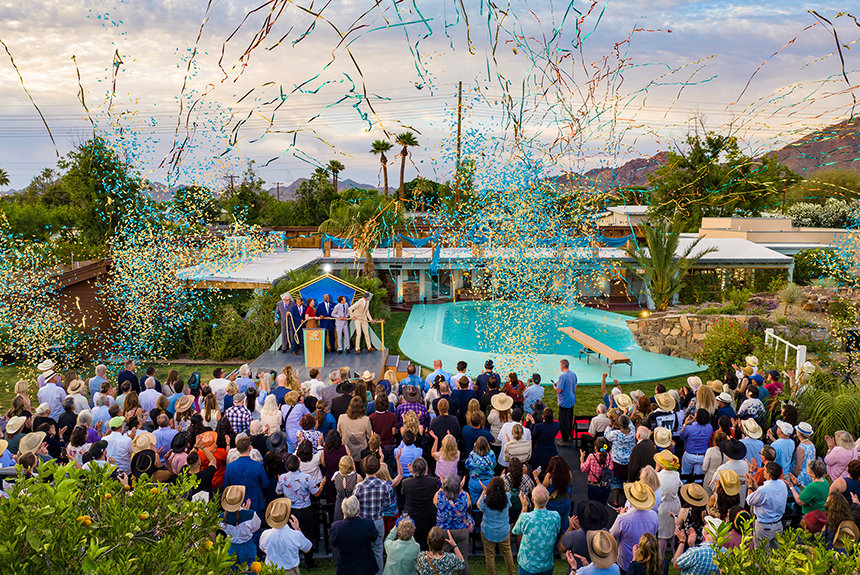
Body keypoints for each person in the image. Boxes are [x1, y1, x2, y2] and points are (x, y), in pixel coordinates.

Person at [354, 455, 396, 571]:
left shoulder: (359, 487)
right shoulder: (383, 485)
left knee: (364, 550)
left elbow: (355, 507)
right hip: (377, 521)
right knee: (378, 550)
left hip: (363, 522)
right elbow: (387, 503)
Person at [609, 480, 659, 572]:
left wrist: (621, 516)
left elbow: (611, 536)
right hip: (648, 560)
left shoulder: (623, 519)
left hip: (626, 562)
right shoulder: (654, 515)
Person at [512, 485, 561, 575]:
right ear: (547, 499)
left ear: (532, 500)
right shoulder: (555, 516)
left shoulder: (526, 517)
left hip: (527, 565)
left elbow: (515, 531)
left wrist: (524, 508)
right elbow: (558, 530)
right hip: (546, 564)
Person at [259, 498, 313, 572]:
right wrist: (298, 530)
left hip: (271, 571)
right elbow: (308, 548)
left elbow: (263, 548)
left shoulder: (265, 534)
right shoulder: (295, 535)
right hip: (290, 571)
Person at [331, 495, 379, 575]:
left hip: (345, 569)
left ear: (343, 510)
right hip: (366, 568)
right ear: (358, 510)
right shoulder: (367, 524)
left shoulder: (336, 527)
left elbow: (334, 543)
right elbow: (374, 538)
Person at [434, 474, 472, 574]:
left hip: (443, 531)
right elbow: (468, 505)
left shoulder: (439, 496)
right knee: (462, 558)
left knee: (442, 558)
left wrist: (442, 486)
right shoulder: (465, 496)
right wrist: (460, 488)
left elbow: (434, 502)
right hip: (461, 531)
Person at [745, 461, 788, 550]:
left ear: (768, 475)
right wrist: (756, 487)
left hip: (764, 526)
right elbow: (768, 495)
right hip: (778, 524)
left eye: (765, 470)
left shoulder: (764, 489)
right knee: (776, 553)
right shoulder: (782, 484)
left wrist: (749, 486)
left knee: (761, 554)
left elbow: (749, 501)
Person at [223, 436, 270, 515]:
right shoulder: (257, 466)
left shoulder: (230, 467)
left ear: (237, 450)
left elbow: (226, 486)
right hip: (255, 503)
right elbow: (265, 483)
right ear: (250, 448)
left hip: (237, 503)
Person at [478, 477, 515, 575]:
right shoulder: (507, 497)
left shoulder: (485, 498)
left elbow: (479, 506)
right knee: (507, 552)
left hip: (488, 531)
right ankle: (512, 573)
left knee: (489, 555)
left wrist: (484, 492)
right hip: (503, 531)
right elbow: (510, 505)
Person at [401, 458, 440, 550]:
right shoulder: (433, 481)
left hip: (413, 516)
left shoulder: (406, 482)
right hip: (428, 517)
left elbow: (404, 493)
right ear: (426, 469)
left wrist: (411, 474)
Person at [219, 485, 261, 568]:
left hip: (231, 547)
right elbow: (256, 527)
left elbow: (222, 528)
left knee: (233, 570)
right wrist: (246, 510)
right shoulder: (250, 514)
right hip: (247, 546)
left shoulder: (222, 517)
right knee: (250, 569)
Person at [678, 409, 713, 476]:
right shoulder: (709, 427)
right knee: (698, 478)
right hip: (702, 456)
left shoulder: (689, 428)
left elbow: (681, 436)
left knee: (685, 474)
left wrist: (685, 424)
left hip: (689, 455)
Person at [338, 396, 373, 461]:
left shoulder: (342, 418)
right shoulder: (366, 420)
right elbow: (370, 436)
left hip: (347, 452)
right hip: (361, 453)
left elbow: (339, 433)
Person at [554, 359, 577, 445]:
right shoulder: (573, 374)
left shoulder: (562, 376)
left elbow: (559, 390)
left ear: (561, 366)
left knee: (563, 421)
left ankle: (565, 439)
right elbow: (575, 386)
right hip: (571, 400)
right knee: (569, 419)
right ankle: (569, 436)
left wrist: (555, 387)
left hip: (564, 401)